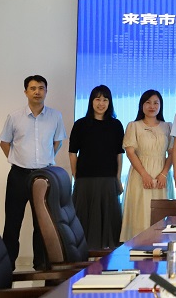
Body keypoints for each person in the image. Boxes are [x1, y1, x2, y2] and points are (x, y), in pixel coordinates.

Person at [0, 75, 66, 270]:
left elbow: (58, 141)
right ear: (26, 91)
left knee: (42, 223)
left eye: (41, 88)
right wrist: (16, 159)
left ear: (46, 91)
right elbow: (4, 142)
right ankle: (7, 264)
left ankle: (41, 264)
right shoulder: (14, 117)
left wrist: (46, 159)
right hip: (19, 175)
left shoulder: (55, 116)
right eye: (33, 88)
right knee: (13, 222)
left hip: (44, 176)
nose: (37, 92)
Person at [68, 84, 125, 249]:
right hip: (85, 179)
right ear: (91, 101)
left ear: (110, 102)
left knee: (109, 221)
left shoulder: (116, 125)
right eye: (98, 99)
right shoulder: (80, 124)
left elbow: (119, 154)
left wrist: (117, 178)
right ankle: (84, 256)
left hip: (108, 179)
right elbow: (72, 153)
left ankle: (106, 257)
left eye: (105, 100)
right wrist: (76, 176)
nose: (101, 103)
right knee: (83, 220)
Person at [120, 90, 174, 241]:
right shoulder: (133, 126)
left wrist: (163, 174)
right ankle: (138, 245)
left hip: (162, 174)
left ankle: (161, 246)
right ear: (141, 105)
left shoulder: (168, 126)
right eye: (148, 102)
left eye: (156, 103)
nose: (152, 106)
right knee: (140, 211)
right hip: (140, 174)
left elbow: (172, 153)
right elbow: (130, 152)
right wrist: (144, 175)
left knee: (161, 212)